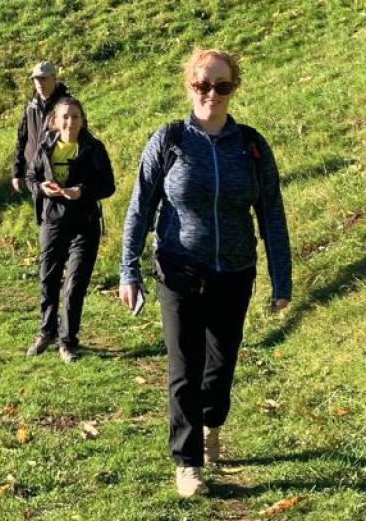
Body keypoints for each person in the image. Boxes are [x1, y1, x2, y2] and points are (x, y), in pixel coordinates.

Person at [119, 47, 291, 498]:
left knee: (221, 363)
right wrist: (128, 270)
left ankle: (212, 423)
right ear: (189, 86)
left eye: (221, 85)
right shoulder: (170, 139)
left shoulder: (250, 145)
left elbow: (271, 212)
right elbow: (140, 207)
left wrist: (281, 277)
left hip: (234, 271)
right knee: (183, 366)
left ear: (234, 88)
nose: (211, 93)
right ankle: (187, 461)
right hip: (178, 267)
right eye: (202, 84)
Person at [25, 96, 115, 362]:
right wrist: (41, 187)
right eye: (65, 117)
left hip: (84, 224)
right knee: (48, 279)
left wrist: (83, 192)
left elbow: (108, 186)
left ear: (83, 120)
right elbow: (32, 177)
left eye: (75, 117)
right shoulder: (45, 146)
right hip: (52, 221)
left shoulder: (94, 148)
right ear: (55, 121)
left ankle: (68, 341)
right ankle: (45, 333)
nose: (70, 122)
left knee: (74, 285)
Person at [11, 61, 70, 197]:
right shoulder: (31, 106)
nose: (39, 82)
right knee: (40, 215)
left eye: (43, 78)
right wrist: (17, 172)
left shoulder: (66, 105)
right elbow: (22, 139)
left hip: (59, 172)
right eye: (35, 79)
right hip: (35, 173)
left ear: (54, 78)